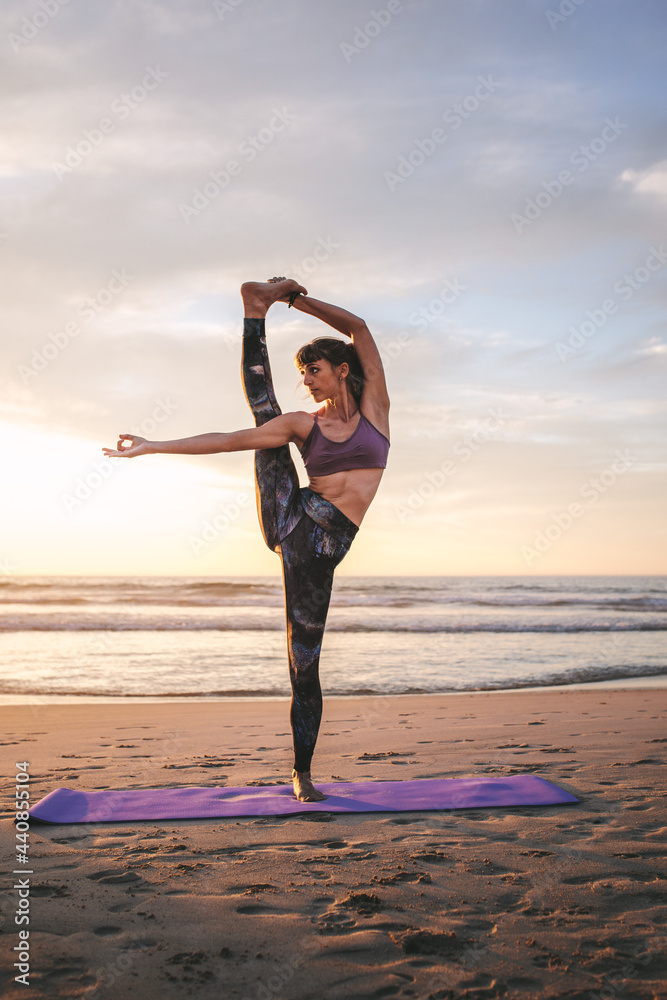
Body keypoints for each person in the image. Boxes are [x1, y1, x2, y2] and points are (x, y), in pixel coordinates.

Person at [103, 278, 390, 801]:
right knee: (266, 416)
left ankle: (302, 765)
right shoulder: (303, 424)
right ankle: (252, 310)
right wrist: (152, 446)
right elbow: (228, 441)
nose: (308, 380)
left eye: (315, 370)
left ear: (342, 369)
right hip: (293, 522)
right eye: (302, 372)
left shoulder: (376, 412)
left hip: (331, 545)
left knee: (306, 662)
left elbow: (359, 328)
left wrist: (297, 301)